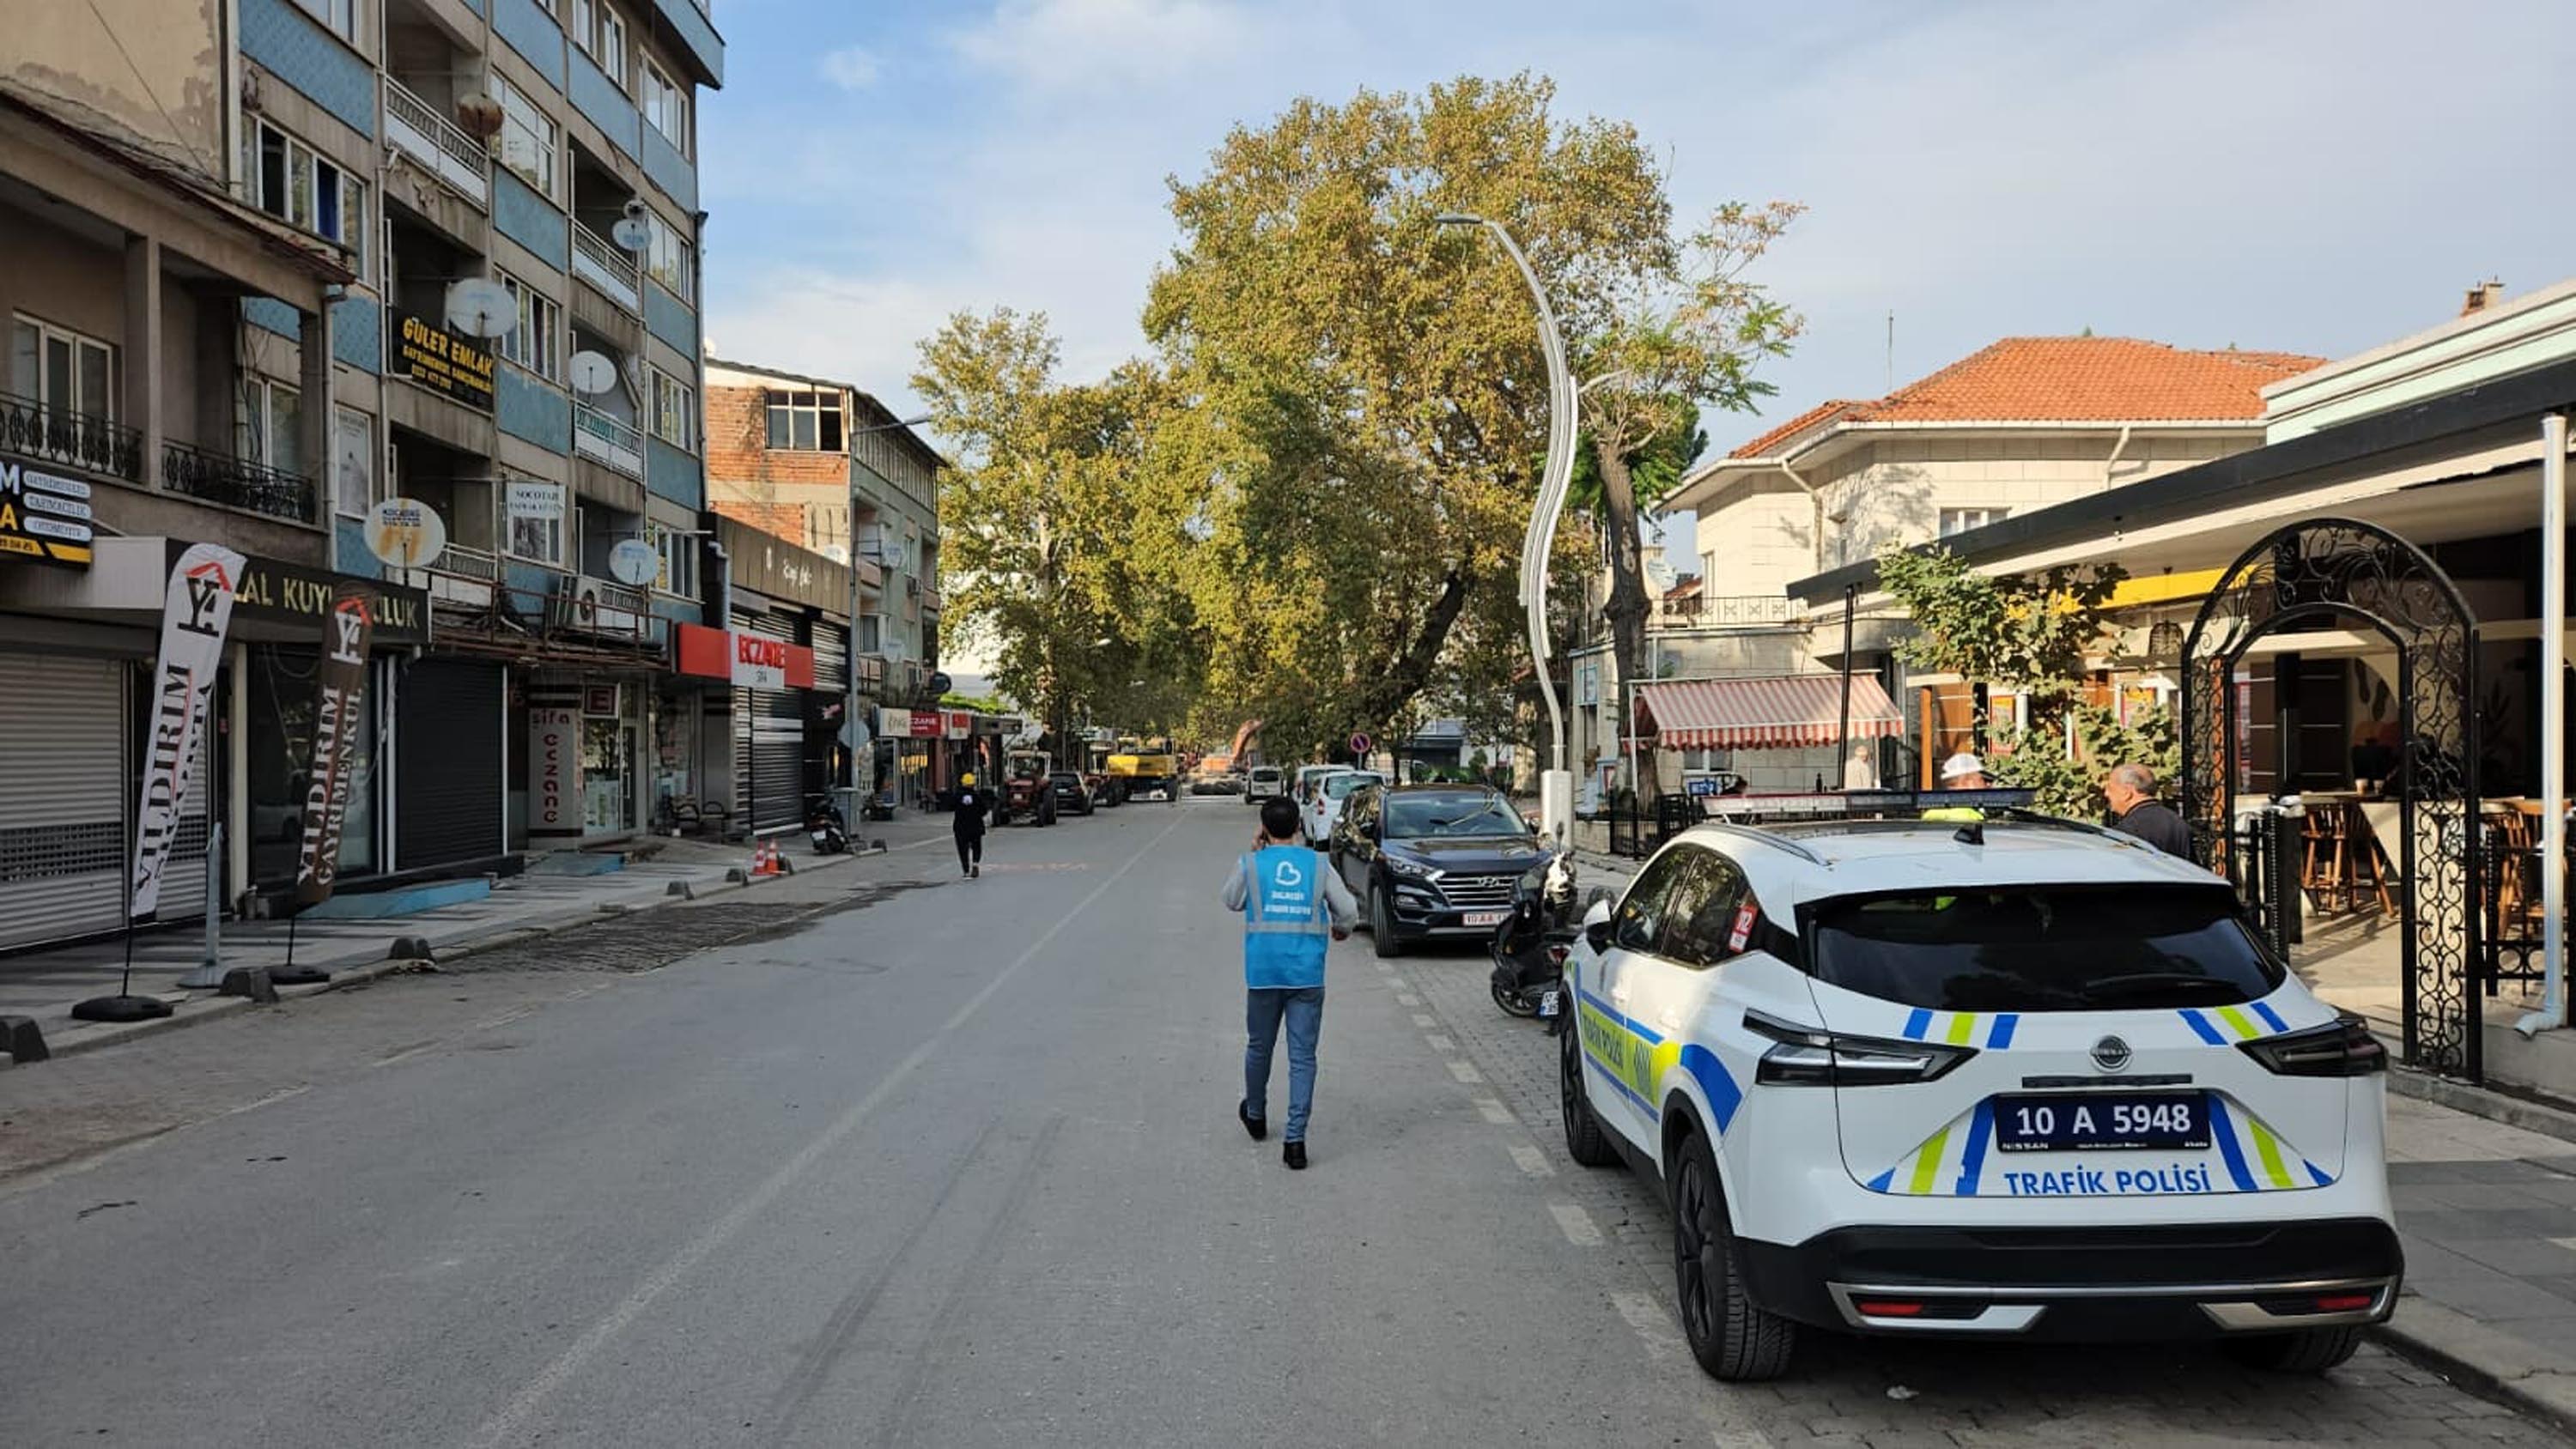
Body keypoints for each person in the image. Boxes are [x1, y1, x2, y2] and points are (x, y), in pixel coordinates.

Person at [1221, 796, 1358, 1170]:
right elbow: (1346, 910)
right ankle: (1295, 1141)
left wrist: (1253, 853)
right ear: (1300, 826)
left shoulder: (1250, 864)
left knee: (1259, 1047)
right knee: (1302, 1057)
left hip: (1264, 974)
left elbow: (1230, 901)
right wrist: (1342, 931)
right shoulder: (1318, 864)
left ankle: (1256, 1114)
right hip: (1307, 975)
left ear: (1263, 828)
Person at [2104, 762, 2192, 857]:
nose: (2106, 794)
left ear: (2127, 792)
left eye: (2110, 788)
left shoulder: (2127, 831)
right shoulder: (2177, 821)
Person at [1924, 751, 1990, 822]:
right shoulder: (1975, 818)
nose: (1988, 785)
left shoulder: (1930, 815)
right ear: (1967, 782)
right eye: (1982, 780)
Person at [952, 771, 988, 878]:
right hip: (976, 826)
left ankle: (966, 870)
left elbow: (950, 806)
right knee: (976, 846)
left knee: (962, 849)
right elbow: (984, 810)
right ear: (973, 784)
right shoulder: (977, 797)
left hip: (961, 827)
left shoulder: (958, 796)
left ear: (962, 783)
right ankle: (975, 864)